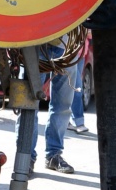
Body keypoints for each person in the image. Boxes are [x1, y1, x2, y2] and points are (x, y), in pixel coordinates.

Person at [15, 37, 77, 176]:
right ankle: (26, 157)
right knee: (28, 105)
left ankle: (53, 156)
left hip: (66, 45)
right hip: (34, 41)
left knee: (63, 105)